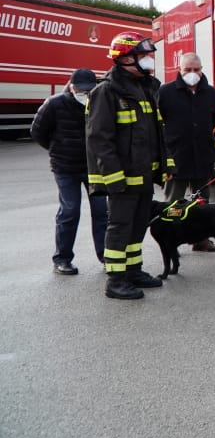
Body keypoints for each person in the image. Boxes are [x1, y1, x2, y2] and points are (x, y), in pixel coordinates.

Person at [86, 32, 167, 300]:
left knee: (138, 225)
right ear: (124, 59)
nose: (147, 61)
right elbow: (100, 138)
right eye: (141, 56)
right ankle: (115, 280)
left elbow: (154, 133)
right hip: (121, 177)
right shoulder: (106, 92)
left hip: (143, 174)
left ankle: (133, 270)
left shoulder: (145, 88)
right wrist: (113, 176)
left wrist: (164, 165)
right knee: (120, 226)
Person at [31, 68, 108, 275]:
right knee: (70, 210)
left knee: (102, 212)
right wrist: (57, 150)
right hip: (65, 167)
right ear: (71, 86)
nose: (84, 94)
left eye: (89, 90)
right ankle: (62, 259)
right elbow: (37, 132)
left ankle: (106, 256)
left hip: (94, 167)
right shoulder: (54, 104)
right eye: (80, 90)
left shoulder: (100, 103)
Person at [158, 52, 215, 252]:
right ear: (180, 69)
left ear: (202, 70)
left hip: (202, 157)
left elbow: (214, 121)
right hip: (175, 158)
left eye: (196, 70)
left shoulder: (212, 94)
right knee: (174, 205)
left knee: (202, 204)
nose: (192, 73)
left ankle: (200, 240)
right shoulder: (165, 92)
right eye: (188, 70)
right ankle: (171, 242)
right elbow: (158, 125)